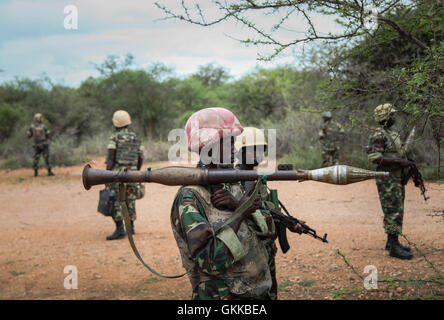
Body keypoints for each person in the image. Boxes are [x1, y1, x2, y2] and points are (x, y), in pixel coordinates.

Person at [170, 108, 275, 300]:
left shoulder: (234, 185)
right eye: (229, 143)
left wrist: (238, 206)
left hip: (259, 293)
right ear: (209, 147)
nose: (235, 150)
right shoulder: (191, 198)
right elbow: (212, 261)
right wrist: (241, 213)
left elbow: (268, 236)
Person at [235, 127, 305, 300]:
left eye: (261, 149)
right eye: (252, 149)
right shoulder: (231, 180)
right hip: (247, 254)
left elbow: (265, 210)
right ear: (240, 151)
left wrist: (287, 222)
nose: (257, 154)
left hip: (266, 249)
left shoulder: (259, 177)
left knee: (270, 293)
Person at [366, 103, 413, 260]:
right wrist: (400, 163)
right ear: (384, 117)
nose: (394, 117)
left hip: (396, 177)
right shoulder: (378, 135)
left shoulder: (392, 133)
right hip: (387, 179)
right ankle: (394, 247)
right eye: (391, 115)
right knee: (393, 210)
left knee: (397, 209)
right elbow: (375, 158)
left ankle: (392, 242)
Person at [106, 110, 144, 241]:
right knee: (130, 201)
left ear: (115, 123)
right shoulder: (135, 137)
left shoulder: (115, 137)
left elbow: (110, 158)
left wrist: (107, 176)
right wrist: (136, 171)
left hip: (118, 175)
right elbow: (141, 156)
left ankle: (120, 229)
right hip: (132, 174)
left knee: (117, 201)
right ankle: (131, 227)